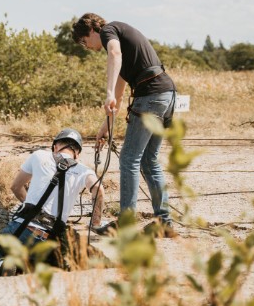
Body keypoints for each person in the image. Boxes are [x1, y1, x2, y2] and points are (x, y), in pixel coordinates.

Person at [72, 13, 177, 237]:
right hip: (165, 94)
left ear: (91, 30)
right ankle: (165, 223)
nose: (86, 47)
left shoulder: (109, 30)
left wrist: (107, 92)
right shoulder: (124, 50)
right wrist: (106, 125)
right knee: (149, 161)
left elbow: (114, 53)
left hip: (150, 95)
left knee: (130, 158)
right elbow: (118, 96)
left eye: (83, 41)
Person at [0, 128, 107, 276]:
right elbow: (98, 189)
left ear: (55, 147)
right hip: (51, 238)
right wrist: (95, 223)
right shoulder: (84, 170)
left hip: (24, 227)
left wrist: (32, 209)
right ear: (77, 153)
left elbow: (16, 187)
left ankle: (4, 267)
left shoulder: (39, 156)